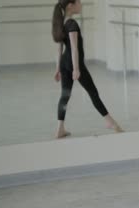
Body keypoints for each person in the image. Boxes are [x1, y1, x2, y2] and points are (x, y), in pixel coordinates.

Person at [52, 0, 123, 139]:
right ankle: (111, 122)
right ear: (70, 6)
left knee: (65, 95)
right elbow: (74, 48)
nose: (81, 4)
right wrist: (77, 68)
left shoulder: (63, 23)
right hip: (73, 64)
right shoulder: (72, 24)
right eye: (78, 2)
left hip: (64, 64)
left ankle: (60, 129)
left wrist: (58, 68)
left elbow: (60, 48)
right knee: (93, 92)